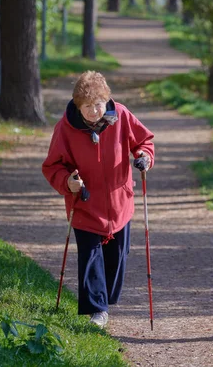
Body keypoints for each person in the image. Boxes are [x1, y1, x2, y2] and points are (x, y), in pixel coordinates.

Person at [42, 70, 154, 328]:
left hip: (119, 204)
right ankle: (98, 310)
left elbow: (144, 141)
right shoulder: (66, 128)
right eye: (87, 106)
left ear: (107, 101)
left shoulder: (122, 116)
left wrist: (144, 157)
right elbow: (52, 166)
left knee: (117, 258)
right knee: (91, 258)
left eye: (98, 105)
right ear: (77, 106)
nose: (94, 111)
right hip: (85, 205)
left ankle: (105, 300)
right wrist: (67, 182)